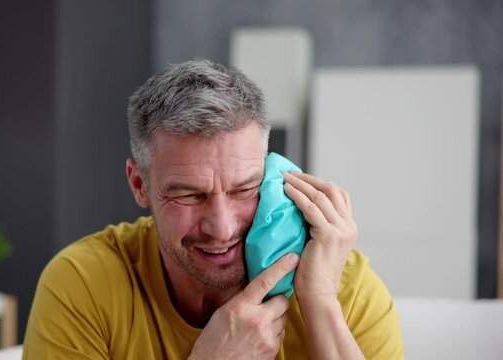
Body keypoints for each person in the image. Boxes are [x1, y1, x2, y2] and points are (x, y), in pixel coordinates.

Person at [23, 59, 403, 359]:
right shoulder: (84, 283)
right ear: (140, 184)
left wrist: (320, 303)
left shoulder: (341, 284)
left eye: (244, 189)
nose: (221, 228)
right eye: (189, 195)